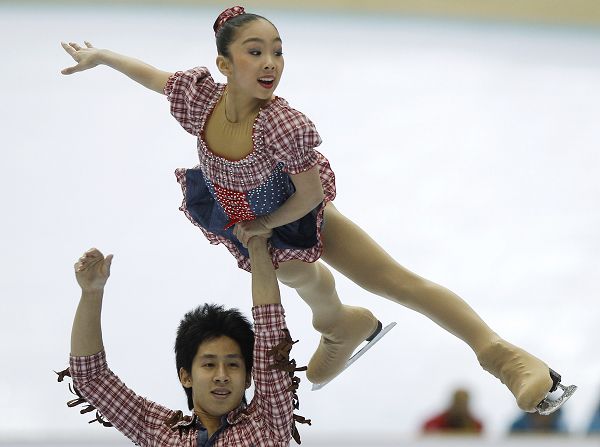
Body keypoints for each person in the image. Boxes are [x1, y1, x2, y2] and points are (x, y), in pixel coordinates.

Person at [59, 6, 571, 412]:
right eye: (255, 52)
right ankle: (339, 324)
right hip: (242, 219)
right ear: (224, 63)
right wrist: (102, 56)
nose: (270, 64)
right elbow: (151, 76)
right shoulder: (200, 101)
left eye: (277, 53)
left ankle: (505, 359)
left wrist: (262, 225)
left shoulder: (283, 125)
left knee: (391, 280)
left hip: (294, 216)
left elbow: (309, 195)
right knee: (299, 275)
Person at [56, 237, 309, 446]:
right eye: (209, 364)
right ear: (185, 376)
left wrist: (255, 242)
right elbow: (91, 378)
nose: (221, 375)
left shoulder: (266, 423)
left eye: (232, 365)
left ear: (248, 378)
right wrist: (91, 292)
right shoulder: (163, 434)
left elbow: (270, 330)